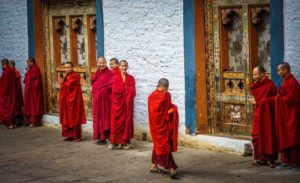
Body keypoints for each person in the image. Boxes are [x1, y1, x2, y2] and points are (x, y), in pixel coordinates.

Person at [148, 78, 179, 178]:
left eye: (167, 89)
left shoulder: (152, 96)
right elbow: (162, 112)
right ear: (161, 86)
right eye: (166, 88)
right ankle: (171, 167)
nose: (167, 91)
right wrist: (172, 110)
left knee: (158, 144)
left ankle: (154, 166)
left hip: (158, 125)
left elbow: (167, 107)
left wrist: (171, 109)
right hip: (159, 125)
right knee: (164, 145)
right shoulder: (162, 96)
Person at [250, 66, 278, 168]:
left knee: (268, 135)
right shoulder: (256, 86)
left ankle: (271, 159)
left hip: (267, 116)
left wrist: (263, 102)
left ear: (262, 74)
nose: (253, 77)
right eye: (253, 74)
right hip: (258, 114)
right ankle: (261, 158)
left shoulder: (270, 85)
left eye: (255, 74)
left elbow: (275, 99)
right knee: (256, 135)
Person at [275, 62, 300, 171]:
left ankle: (296, 163)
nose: (278, 73)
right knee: (284, 136)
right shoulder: (286, 81)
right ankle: (286, 162)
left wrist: (278, 99)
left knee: (292, 137)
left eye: (279, 70)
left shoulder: (292, 83)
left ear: (285, 70)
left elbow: (291, 100)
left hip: (291, 115)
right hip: (285, 115)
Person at [109, 60, 136, 149]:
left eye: (125, 66)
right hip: (117, 104)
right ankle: (113, 142)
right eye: (122, 66)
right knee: (115, 122)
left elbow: (133, 92)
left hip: (127, 105)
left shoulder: (131, 78)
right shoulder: (115, 77)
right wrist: (126, 89)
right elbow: (114, 91)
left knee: (125, 122)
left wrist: (126, 90)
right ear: (119, 67)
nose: (124, 68)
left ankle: (124, 143)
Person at [59, 62, 86, 142]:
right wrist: (63, 83)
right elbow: (64, 85)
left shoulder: (75, 76)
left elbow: (68, 85)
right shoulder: (66, 76)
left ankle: (77, 136)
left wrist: (63, 83)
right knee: (67, 117)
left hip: (74, 101)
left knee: (74, 117)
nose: (66, 69)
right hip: (66, 100)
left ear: (72, 68)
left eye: (68, 67)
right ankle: (70, 135)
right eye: (65, 67)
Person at [92, 57, 113, 144]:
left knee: (104, 119)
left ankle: (104, 138)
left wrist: (103, 90)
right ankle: (100, 137)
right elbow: (93, 82)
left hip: (105, 101)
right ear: (97, 63)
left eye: (103, 62)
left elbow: (112, 85)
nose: (101, 64)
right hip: (97, 100)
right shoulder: (97, 72)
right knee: (97, 118)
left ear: (106, 63)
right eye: (100, 63)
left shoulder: (109, 73)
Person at [23, 57, 44, 128]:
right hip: (30, 92)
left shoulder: (35, 69)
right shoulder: (31, 69)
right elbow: (26, 80)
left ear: (32, 62)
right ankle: (32, 122)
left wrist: (27, 73)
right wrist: (27, 72)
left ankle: (33, 122)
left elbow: (33, 80)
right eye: (27, 62)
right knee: (30, 106)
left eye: (28, 62)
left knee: (33, 106)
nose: (28, 64)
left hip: (34, 92)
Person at [0, 59, 17, 129]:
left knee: (7, 108)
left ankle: (10, 124)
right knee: (11, 107)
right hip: (12, 93)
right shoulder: (12, 71)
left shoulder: (5, 72)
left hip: (6, 94)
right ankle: (13, 123)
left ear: (3, 64)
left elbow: (4, 84)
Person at [9, 60, 24, 126]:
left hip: (15, 91)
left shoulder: (15, 72)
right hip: (13, 91)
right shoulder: (11, 71)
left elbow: (17, 82)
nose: (9, 66)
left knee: (16, 107)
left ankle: (18, 120)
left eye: (10, 64)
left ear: (12, 65)